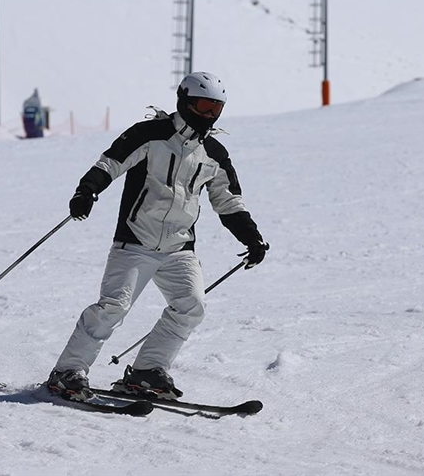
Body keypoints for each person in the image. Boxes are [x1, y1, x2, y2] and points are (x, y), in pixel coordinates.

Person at [46, 72, 268, 401]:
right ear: (186, 101)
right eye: (205, 106)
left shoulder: (214, 154)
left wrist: (251, 238)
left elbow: (229, 201)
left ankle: (147, 371)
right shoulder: (150, 135)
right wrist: (87, 191)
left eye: (216, 109)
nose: (210, 115)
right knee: (112, 308)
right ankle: (68, 372)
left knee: (191, 306)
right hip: (135, 242)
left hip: (179, 248)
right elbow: (111, 163)